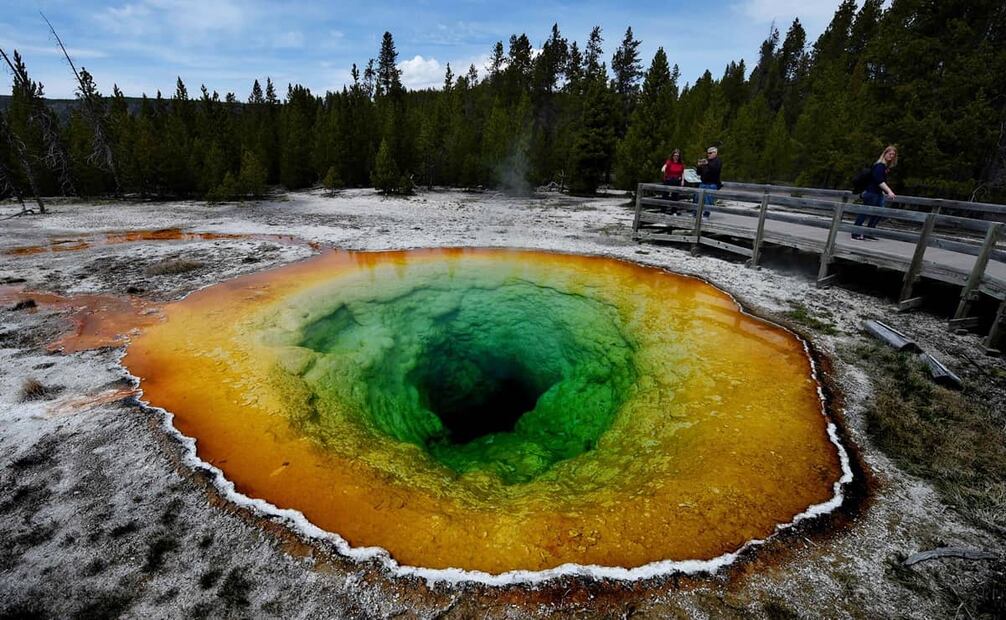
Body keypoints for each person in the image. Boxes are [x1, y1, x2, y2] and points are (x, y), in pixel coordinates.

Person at [852, 145, 898, 240]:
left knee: (879, 212)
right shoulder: (879, 166)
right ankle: (855, 233)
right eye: (890, 154)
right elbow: (879, 181)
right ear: (885, 153)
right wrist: (889, 191)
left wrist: (882, 191)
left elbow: (877, 182)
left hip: (877, 193)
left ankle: (869, 232)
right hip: (871, 193)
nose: (891, 156)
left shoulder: (884, 167)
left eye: (893, 155)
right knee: (865, 212)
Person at [695, 146, 722, 217]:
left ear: (715, 153)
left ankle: (706, 215)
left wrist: (707, 164)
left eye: (710, 153)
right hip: (703, 183)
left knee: (708, 201)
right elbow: (698, 173)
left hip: (712, 184)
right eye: (708, 153)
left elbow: (715, 170)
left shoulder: (718, 161)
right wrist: (699, 166)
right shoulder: (706, 161)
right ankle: (696, 214)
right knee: (697, 198)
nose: (708, 154)